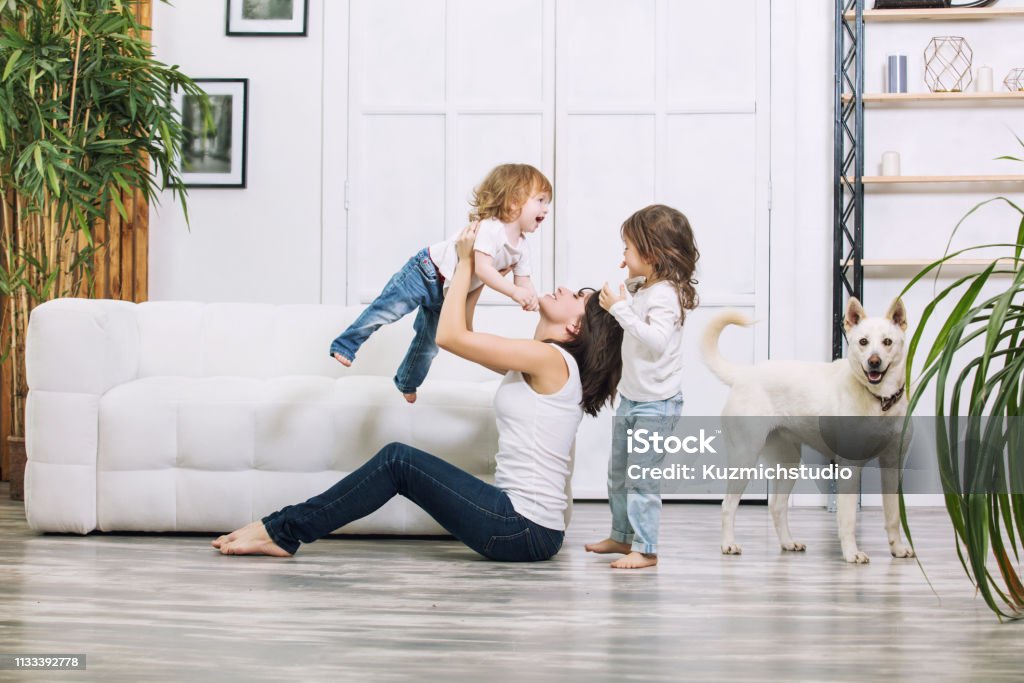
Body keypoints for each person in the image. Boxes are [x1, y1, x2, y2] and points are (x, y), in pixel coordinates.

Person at [213, 222, 623, 561]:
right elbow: (466, 333)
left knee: (398, 462)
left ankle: (281, 530)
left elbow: (447, 336)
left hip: (522, 529)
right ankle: (280, 528)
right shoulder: (543, 361)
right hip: (525, 528)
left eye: (580, 298)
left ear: (575, 329)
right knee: (398, 462)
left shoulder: (549, 360)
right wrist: (480, 269)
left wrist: (463, 263)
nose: (568, 288)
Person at [329, 163, 551, 404]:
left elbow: (524, 280)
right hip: (426, 273)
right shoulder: (491, 228)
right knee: (386, 310)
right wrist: (515, 292)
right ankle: (346, 344)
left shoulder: (522, 246)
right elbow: (483, 270)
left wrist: (530, 297)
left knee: (429, 344)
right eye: (540, 200)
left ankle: (406, 381)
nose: (546, 209)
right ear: (513, 201)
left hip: (449, 294)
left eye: (547, 203)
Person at [585, 204, 700, 569]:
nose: (623, 256)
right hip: (633, 399)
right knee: (618, 472)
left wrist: (620, 308)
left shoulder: (665, 295)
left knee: (642, 479)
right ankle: (622, 537)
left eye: (627, 249)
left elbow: (656, 340)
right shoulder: (649, 287)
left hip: (657, 404)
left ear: (650, 254)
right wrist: (628, 291)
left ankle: (646, 548)